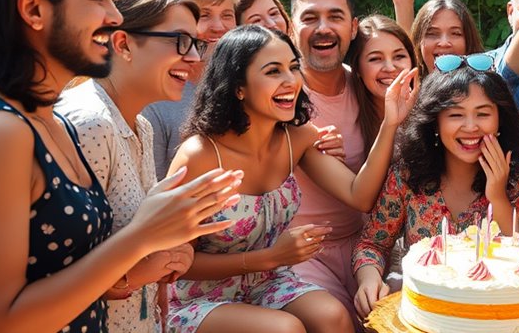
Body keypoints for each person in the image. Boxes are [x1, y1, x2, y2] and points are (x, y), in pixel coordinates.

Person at [0, 0, 241, 333]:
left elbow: (65, 274)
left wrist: (162, 224)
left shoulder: (46, 120)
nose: (113, 17)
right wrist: (144, 235)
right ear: (34, 9)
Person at [166, 25, 418, 333]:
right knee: (283, 329)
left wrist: (390, 122)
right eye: (273, 71)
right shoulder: (199, 155)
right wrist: (269, 257)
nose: (291, 81)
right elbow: (175, 263)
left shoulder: (297, 137)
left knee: (333, 316)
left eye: (293, 67)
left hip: (267, 283)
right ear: (238, 86)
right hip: (197, 297)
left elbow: (359, 195)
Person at [56, 0, 203, 332]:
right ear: (122, 43)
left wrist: (172, 251)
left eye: (196, 44)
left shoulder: (141, 125)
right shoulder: (89, 123)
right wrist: (138, 273)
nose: (195, 57)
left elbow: (138, 239)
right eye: (181, 41)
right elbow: (54, 274)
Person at [352, 62, 519, 318]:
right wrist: (369, 279)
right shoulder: (407, 176)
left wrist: (497, 196)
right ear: (435, 123)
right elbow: (371, 244)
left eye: (483, 113)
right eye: (455, 114)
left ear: (500, 120)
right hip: (424, 319)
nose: (471, 126)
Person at [287, 0, 370, 324]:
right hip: (300, 251)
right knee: (334, 320)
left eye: (334, 16)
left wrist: (403, 4)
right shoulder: (280, 94)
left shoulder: (367, 86)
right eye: (309, 17)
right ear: (291, 28)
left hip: (364, 244)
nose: (323, 28)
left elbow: (401, 62)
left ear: (353, 27)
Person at [143, 0, 240, 179]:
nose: (218, 26)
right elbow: (150, 188)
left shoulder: (244, 85)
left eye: (227, 15)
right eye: (204, 15)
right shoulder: (155, 99)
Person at [347, 15, 417, 154]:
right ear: (358, 68)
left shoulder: (429, 114)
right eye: (375, 59)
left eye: (399, 56)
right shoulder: (348, 120)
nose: (390, 68)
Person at [409, 0, 485, 76]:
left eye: (455, 33)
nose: (444, 43)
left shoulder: (489, 87)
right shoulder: (408, 87)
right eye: (432, 34)